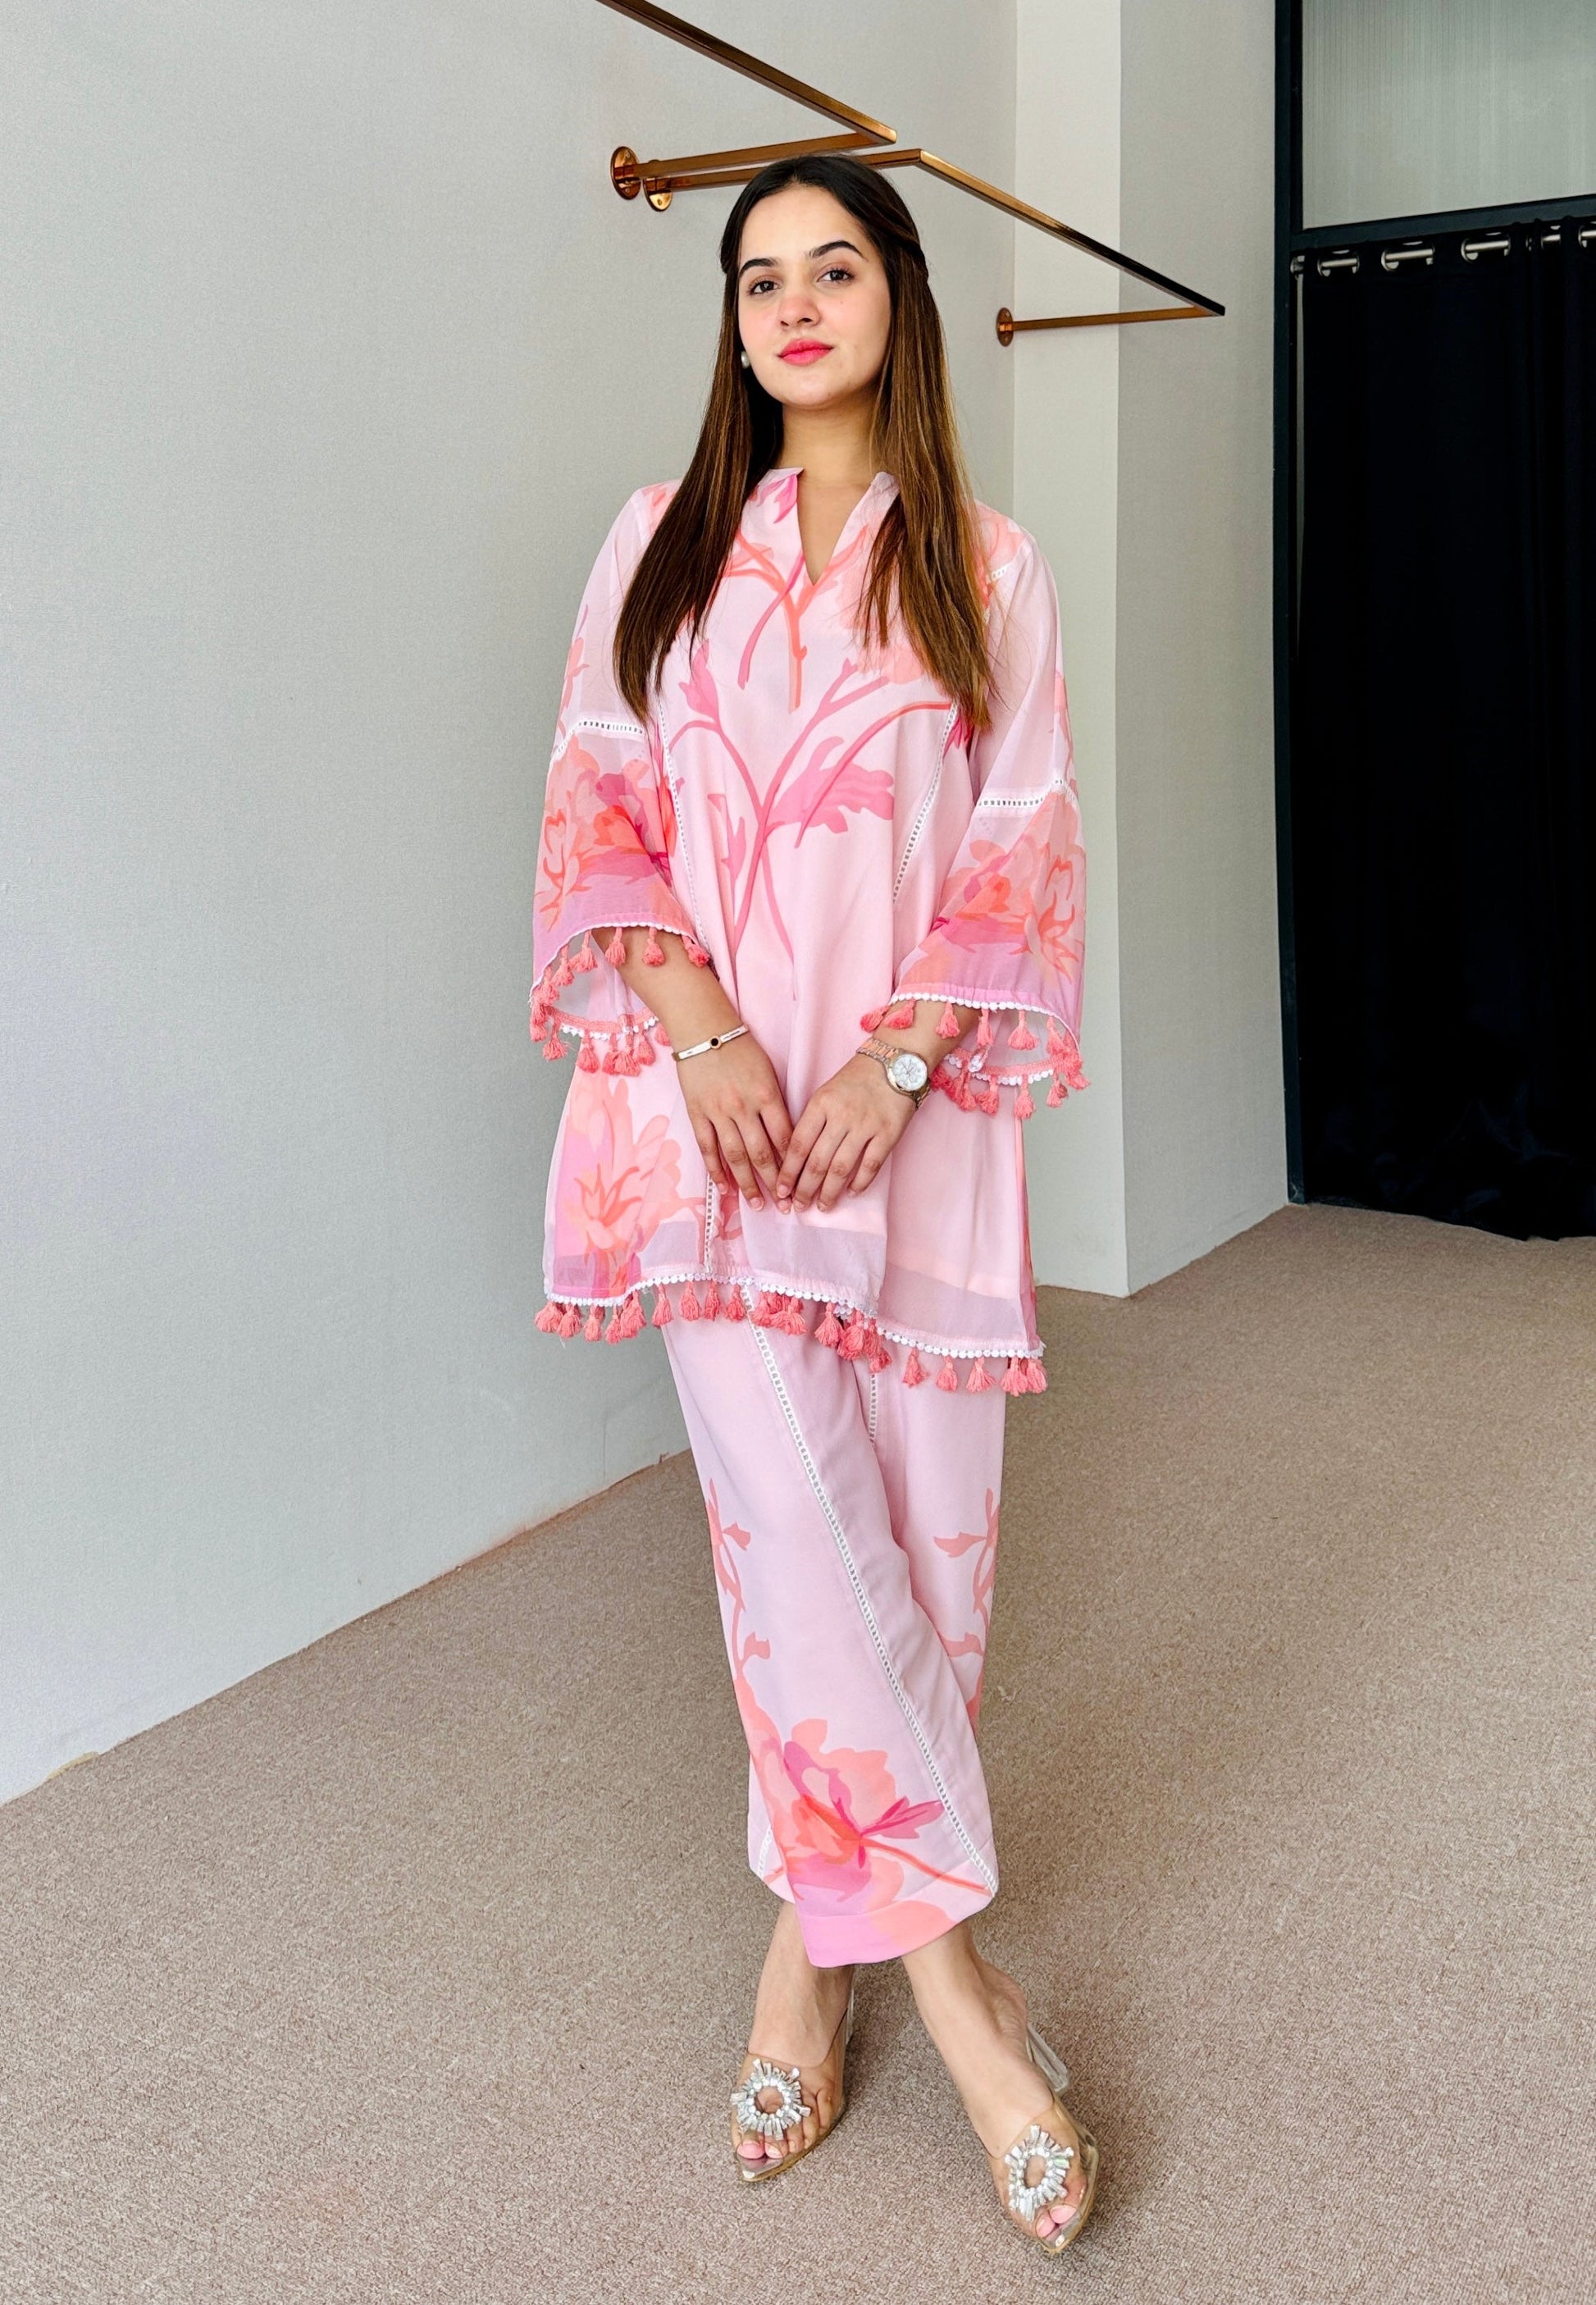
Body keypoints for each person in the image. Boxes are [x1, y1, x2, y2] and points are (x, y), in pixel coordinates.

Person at [528, 152, 1095, 2255]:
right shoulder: (659, 543)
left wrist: (892, 1063)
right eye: (757, 274)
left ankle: (805, 1956)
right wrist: (704, 1039)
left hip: (905, 1136)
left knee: (924, 1564)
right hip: (706, 1136)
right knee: (791, 1535)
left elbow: (1019, 845)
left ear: (896, 299)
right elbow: (597, 803)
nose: (790, 303)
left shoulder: (991, 568)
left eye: (831, 265)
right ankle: (955, 2000)